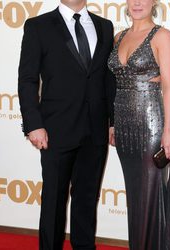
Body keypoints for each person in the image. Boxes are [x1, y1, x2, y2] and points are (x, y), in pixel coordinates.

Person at [18, 0, 116, 249]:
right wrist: (33, 124)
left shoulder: (104, 26)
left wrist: (112, 121)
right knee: (53, 202)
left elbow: (107, 78)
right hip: (55, 130)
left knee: (86, 200)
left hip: (95, 130)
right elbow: (28, 79)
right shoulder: (38, 26)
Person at [108, 0, 170, 249]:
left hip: (150, 126)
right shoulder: (118, 37)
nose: (137, 3)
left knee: (149, 196)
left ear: (154, 2)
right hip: (124, 127)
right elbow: (114, 84)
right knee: (136, 198)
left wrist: (169, 132)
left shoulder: (162, 36)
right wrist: (113, 124)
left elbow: (168, 87)